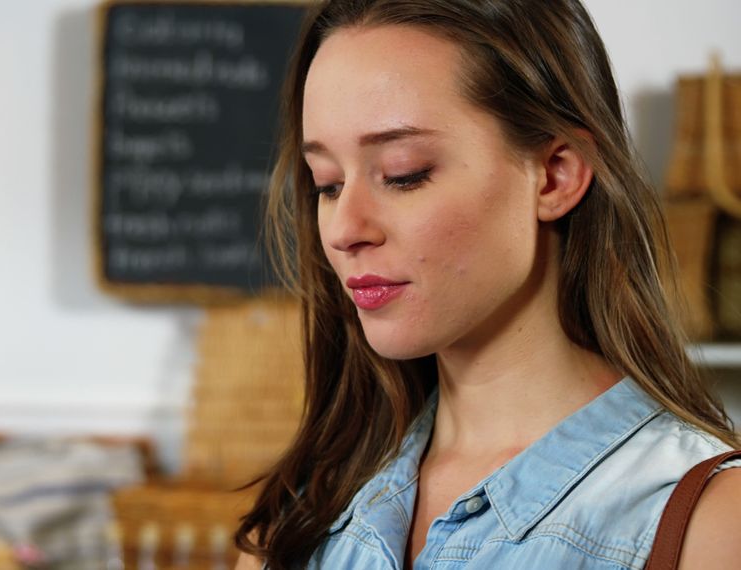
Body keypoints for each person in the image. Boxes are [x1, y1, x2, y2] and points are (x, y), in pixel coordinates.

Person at [233, 1, 741, 568]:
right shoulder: (297, 521)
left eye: (404, 174)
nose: (345, 230)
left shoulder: (710, 524)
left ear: (555, 174)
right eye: (327, 184)